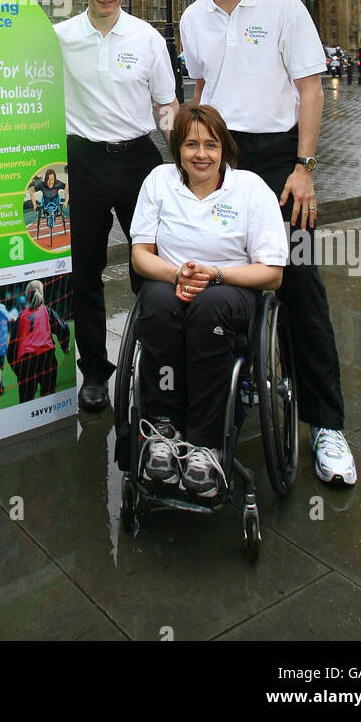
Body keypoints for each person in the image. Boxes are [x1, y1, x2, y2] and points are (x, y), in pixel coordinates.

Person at [179, 0, 357, 486]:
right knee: (228, 270)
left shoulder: (283, 7)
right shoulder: (192, 18)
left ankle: (328, 424)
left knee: (300, 279)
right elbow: (201, 91)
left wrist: (305, 168)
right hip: (225, 157)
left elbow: (309, 88)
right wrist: (195, 154)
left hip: (282, 158)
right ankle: (247, 373)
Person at [130, 105, 288, 498]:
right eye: (191, 144)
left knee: (208, 309)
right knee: (159, 305)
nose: (201, 154)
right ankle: (162, 427)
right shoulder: (159, 182)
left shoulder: (250, 189)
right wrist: (175, 274)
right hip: (172, 281)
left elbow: (273, 271)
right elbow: (140, 254)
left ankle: (204, 441)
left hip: (229, 287)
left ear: (225, 149)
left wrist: (215, 274)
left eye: (210, 145)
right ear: (177, 150)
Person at [55, 0, 178, 412]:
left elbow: (166, 106)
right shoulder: (61, 36)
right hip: (81, 160)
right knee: (83, 270)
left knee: (152, 264)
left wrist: (183, 162)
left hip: (137, 161)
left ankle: (157, 359)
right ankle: (94, 372)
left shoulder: (148, 38)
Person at [6, 280, 71, 403]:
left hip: (27, 363)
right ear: (42, 294)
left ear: (26, 297)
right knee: (49, 400)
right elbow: (63, 327)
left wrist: (19, 371)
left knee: (26, 404)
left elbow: (10, 351)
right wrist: (65, 345)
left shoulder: (21, 317)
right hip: (47, 358)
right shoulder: (47, 311)